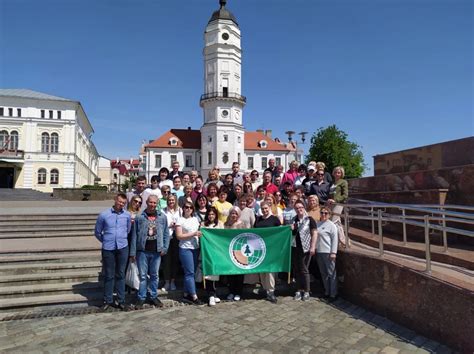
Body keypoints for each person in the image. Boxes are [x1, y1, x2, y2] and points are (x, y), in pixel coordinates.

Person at [129, 195, 169, 309]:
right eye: (150, 202)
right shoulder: (140, 217)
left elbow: (166, 233)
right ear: (147, 202)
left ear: (157, 204)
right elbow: (134, 235)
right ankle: (141, 297)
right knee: (142, 276)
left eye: (154, 203)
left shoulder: (162, 217)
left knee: (154, 275)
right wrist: (132, 252)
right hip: (142, 251)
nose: (152, 205)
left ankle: (153, 296)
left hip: (156, 251)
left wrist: (165, 247)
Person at [94, 193, 131, 310]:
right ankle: (108, 300)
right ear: (115, 200)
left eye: (123, 203)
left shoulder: (127, 215)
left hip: (122, 247)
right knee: (109, 275)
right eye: (120, 202)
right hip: (108, 248)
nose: (121, 204)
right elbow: (97, 232)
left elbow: (128, 230)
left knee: (121, 274)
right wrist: (106, 240)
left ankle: (121, 300)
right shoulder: (104, 215)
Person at [175, 201, 204, 305]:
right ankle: (194, 296)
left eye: (190, 207)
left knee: (192, 272)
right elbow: (179, 236)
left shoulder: (195, 219)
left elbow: (201, 229)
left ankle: (186, 294)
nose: (188, 209)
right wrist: (193, 234)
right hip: (185, 248)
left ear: (193, 209)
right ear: (183, 208)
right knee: (189, 272)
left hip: (195, 248)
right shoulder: (180, 220)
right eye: (186, 207)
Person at [254, 201, 281, 303]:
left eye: (266, 208)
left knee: (270, 270)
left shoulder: (274, 219)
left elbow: (280, 232)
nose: (264, 210)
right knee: (262, 270)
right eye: (263, 208)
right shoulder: (258, 219)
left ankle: (271, 291)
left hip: (271, 248)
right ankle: (265, 290)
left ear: (269, 207)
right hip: (260, 248)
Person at [291, 200, 317, 301]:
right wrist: (291, 229)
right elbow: (292, 235)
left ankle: (306, 291)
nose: (299, 209)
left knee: (304, 269)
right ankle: (298, 290)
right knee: (296, 269)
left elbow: (314, 233)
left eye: (300, 207)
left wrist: (313, 246)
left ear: (304, 207)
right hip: (295, 247)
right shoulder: (294, 219)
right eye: (297, 208)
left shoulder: (309, 219)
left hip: (305, 248)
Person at [201, 207, 224, 306]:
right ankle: (210, 294)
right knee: (208, 273)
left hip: (217, 252)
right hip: (207, 252)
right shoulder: (203, 224)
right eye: (209, 214)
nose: (211, 216)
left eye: (213, 214)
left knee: (216, 273)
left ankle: (214, 293)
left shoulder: (220, 224)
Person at [316, 207, 338, 301]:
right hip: (319, 251)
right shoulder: (318, 224)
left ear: (329, 214)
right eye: (322, 212)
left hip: (328, 252)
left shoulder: (331, 225)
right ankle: (327, 291)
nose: (323, 214)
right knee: (323, 273)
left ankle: (333, 294)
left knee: (331, 273)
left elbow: (334, 239)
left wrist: (333, 252)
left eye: (326, 213)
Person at [161, 193, 181, 291]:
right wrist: (169, 224)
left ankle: (173, 281)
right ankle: (166, 281)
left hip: (177, 237)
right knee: (166, 260)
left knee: (175, 260)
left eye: (173, 200)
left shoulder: (180, 210)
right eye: (169, 200)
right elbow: (160, 223)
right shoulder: (163, 211)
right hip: (167, 236)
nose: (171, 202)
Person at [224, 206, 245, 301]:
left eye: (236, 213)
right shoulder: (226, 224)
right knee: (230, 273)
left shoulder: (242, 224)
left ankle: (238, 292)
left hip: (240, 251)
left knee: (239, 273)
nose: (234, 215)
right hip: (229, 251)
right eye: (232, 213)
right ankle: (231, 291)